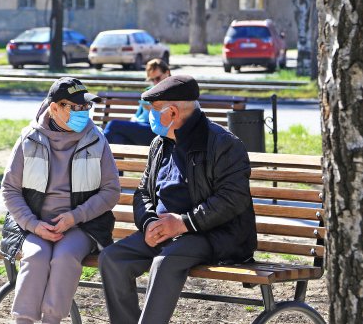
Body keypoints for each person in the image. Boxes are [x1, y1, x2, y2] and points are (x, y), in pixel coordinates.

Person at [98, 75, 257, 324]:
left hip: (214, 235)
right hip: (165, 231)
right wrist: (149, 221)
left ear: (171, 112)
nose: (149, 115)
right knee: (113, 258)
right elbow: (143, 192)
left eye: (153, 110)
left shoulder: (223, 143)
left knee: (165, 262)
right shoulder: (160, 143)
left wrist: (183, 223)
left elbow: (233, 198)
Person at [0, 77, 120, 324]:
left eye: (86, 107)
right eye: (75, 107)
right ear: (54, 108)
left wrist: (75, 217)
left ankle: (52, 321)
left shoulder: (96, 139)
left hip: (82, 226)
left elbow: (110, 191)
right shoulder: (29, 138)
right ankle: (22, 321)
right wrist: (34, 225)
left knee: (65, 257)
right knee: (36, 257)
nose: (83, 112)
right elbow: (10, 189)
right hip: (35, 224)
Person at [103, 59, 171, 146]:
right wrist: (131, 124)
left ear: (167, 73)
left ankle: (97, 156)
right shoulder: (149, 91)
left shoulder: (172, 90)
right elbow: (138, 115)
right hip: (140, 128)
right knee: (117, 138)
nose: (155, 82)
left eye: (157, 78)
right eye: (152, 79)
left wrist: (155, 110)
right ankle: (111, 159)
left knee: (113, 124)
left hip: (156, 132)